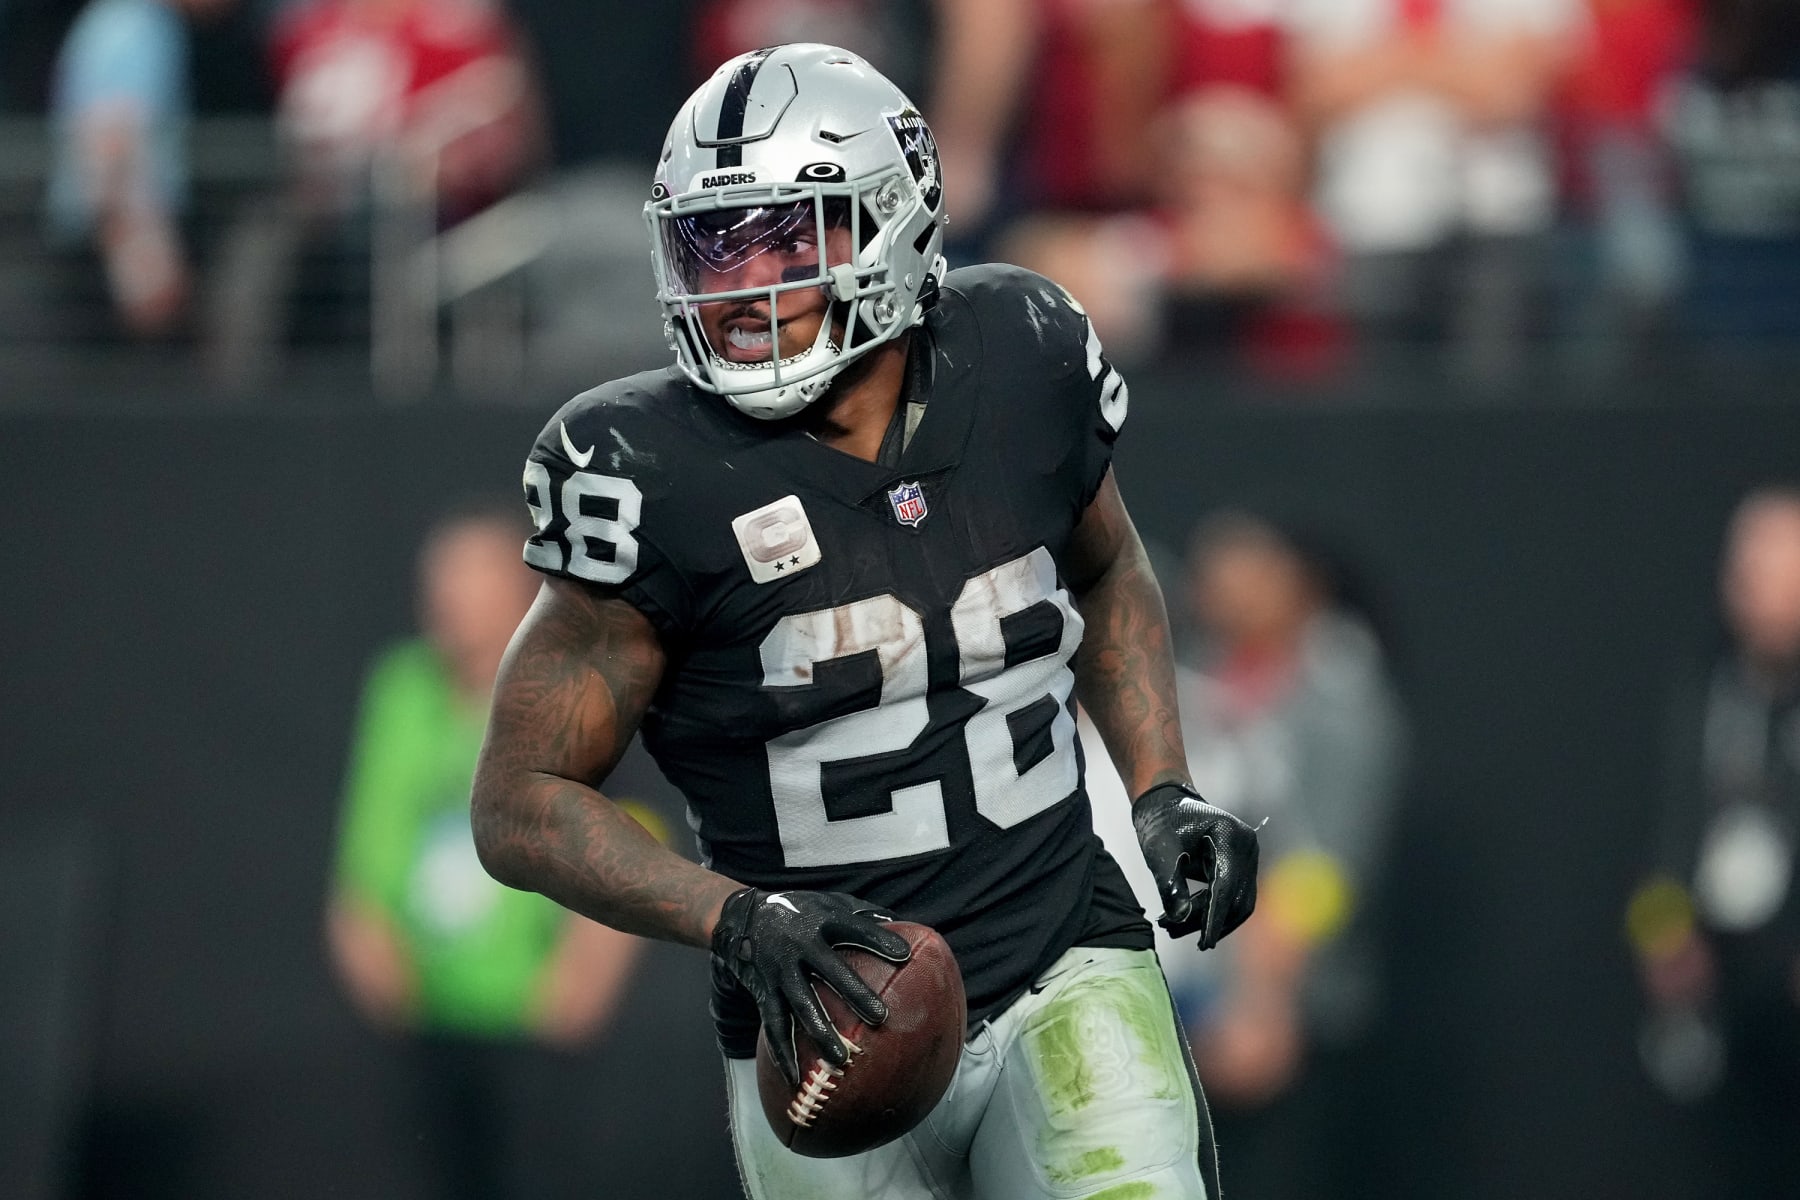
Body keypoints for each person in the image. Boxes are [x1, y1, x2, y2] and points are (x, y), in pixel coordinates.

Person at [470, 43, 1261, 1200]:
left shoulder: (1023, 351)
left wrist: (1160, 788)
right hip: (825, 1028)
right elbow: (516, 803)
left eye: (786, 237)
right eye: (711, 244)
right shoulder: (647, 470)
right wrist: (739, 919)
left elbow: (1110, 572)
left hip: (1062, 957)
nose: (741, 288)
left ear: (891, 223)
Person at [327, 502, 650, 1200]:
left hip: (531, 1031)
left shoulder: (570, 691)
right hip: (424, 1024)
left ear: (518, 593)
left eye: (467, 584)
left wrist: (578, 980)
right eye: (438, 584)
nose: (448, 603)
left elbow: (633, 825)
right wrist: (362, 932)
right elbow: (370, 836)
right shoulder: (403, 689)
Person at [1628, 486, 1800, 1200]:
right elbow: (1672, 828)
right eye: (1744, 573)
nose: (1753, 594)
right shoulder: (1708, 678)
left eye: (1778, 574)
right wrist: (1662, 930)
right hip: (1724, 993)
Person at [44, 0, 231, 338]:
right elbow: (110, 151)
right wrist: (141, 265)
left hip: (110, 241)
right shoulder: (133, 26)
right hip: (108, 250)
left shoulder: (129, 20)